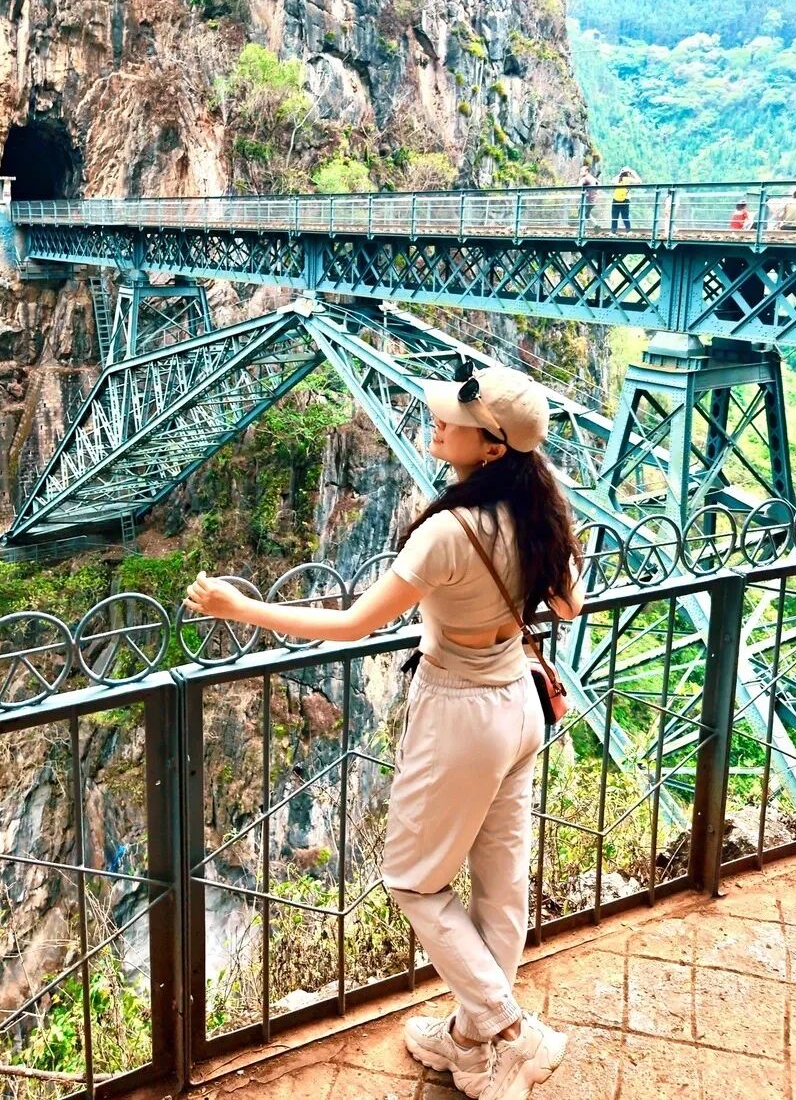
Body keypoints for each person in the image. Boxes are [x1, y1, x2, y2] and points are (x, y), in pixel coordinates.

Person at [187, 363, 584, 1100]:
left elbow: (351, 625)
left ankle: (508, 1032)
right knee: (499, 886)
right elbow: (567, 607)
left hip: (462, 714)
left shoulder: (449, 531)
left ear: (492, 447)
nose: (438, 422)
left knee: (411, 879)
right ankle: (471, 1042)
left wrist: (238, 609)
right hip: (519, 705)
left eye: (452, 420)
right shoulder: (540, 510)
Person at [610, 166, 641, 233]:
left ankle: (613, 232)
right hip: (625, 200)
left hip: (615, 200)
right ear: (628, 173)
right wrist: (634, 173)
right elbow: (639, 182)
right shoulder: (627, 179)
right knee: (625, 217)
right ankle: (628, 231)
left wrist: (620, 173)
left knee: (614, 217)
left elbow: (612, 181)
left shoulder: (617, 179)